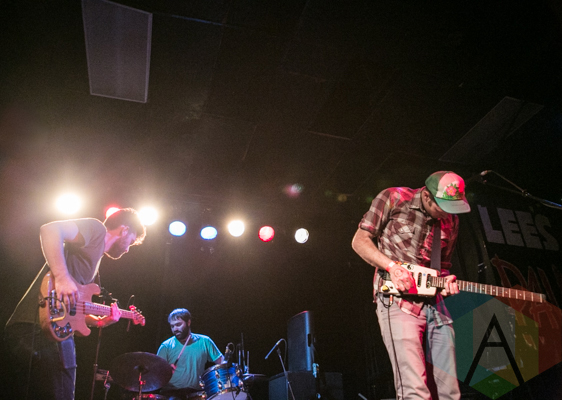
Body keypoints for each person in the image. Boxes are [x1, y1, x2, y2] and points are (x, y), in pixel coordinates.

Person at [4, 208, 146, 400]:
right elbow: (50, 230)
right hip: (39, 327)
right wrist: (62, 277)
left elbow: (74, 312)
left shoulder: (94, 263)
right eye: (132, 241)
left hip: (30, 330)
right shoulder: (97, 230)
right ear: (124, 230)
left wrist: (101, 322)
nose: (128, 249)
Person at [351, 171, 471, 400]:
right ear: (426, 196)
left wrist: (445, 281)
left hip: (435, 303)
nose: (447, 213)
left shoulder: (451, 220)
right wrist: (391, 267)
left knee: (450, 391)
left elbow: (443, 266)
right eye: (442, 206)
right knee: (414, 390)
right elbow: (359, 241)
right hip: (398, 301)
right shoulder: (393, 198)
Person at [157, 308, 224, 400]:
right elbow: (156, 375)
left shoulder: (205, 341)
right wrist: (166, 372)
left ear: (188, 322)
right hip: (172, 392)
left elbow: (222, 363)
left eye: (178, 324)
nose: (175, 329)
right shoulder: (166, 346)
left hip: (197, 392)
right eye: (172, 326)